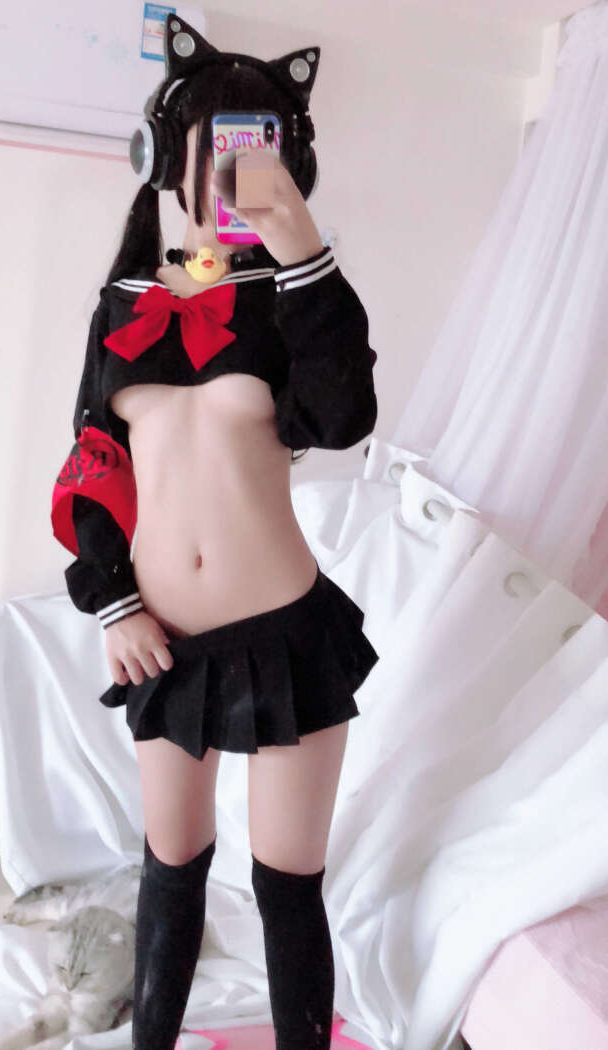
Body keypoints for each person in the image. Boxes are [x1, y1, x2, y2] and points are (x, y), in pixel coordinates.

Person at [51, 14, 380, 1050]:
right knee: (171, 869)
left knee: (285, 886)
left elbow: (343, 418)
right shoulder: (123, 304)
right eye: (219, 146)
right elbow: (91, 462)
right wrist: (112, 600)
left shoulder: (292, 297)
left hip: (285, 636)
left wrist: (301, 249)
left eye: (260, 145)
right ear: (164, 155)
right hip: (163, 642)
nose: (237, 173)